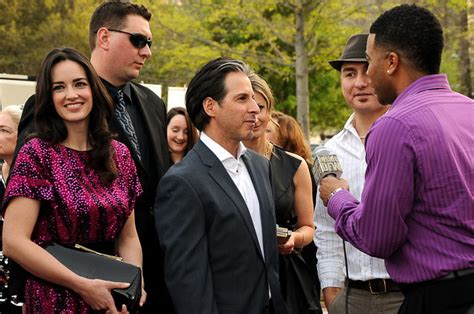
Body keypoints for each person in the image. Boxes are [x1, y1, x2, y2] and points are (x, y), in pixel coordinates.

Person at [14, 2, 172, 312]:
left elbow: (148, 201)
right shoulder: (41, 136)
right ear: (104, 37)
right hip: (62, 286)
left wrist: (133, 282)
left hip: (138, 283)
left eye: (149, 43)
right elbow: (24, 224)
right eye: (138, 40)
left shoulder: (153, 104)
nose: (147, 52)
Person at [319, 5, 474, 313]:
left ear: (391, 62)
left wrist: (336, 197)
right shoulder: (467, 109)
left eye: (370, 61)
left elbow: (378, 238)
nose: (367, 77)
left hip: (439, 298)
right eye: (352, 72)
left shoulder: (395, 126)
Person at [2, 47, 145, 313]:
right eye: (59, 87)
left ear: (93, 89)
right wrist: (82, 285)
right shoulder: (36, 154)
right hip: (53, 299)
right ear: (49, 96)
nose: (71, 95)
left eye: (79, 84)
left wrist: (132, 287)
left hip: (110, 302)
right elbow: (14, 241)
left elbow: (128, 236)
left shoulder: (120, 156)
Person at [155, 57, 288, 314]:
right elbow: (189, 283)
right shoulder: (182, 183)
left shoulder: (261, 167)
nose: (254, 109)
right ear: (210, 106)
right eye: (242, 99)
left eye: (253, 99)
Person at [314, 33, 403, 314]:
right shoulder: (328, 152)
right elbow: (326, 231)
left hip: (408, 294)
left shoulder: (409, 137)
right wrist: (331, 292)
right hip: (352, 298)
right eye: (349, 74)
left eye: (367, 70)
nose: (360, 82)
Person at [243, 73, 320, 314]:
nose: (254, 114)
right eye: (246, 105)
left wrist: (294, 239)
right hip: (241, 274)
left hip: (288, 277)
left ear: (269, 111)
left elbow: (309, 227)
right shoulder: (226, 164)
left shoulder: (295, 165)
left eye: (261, 107)